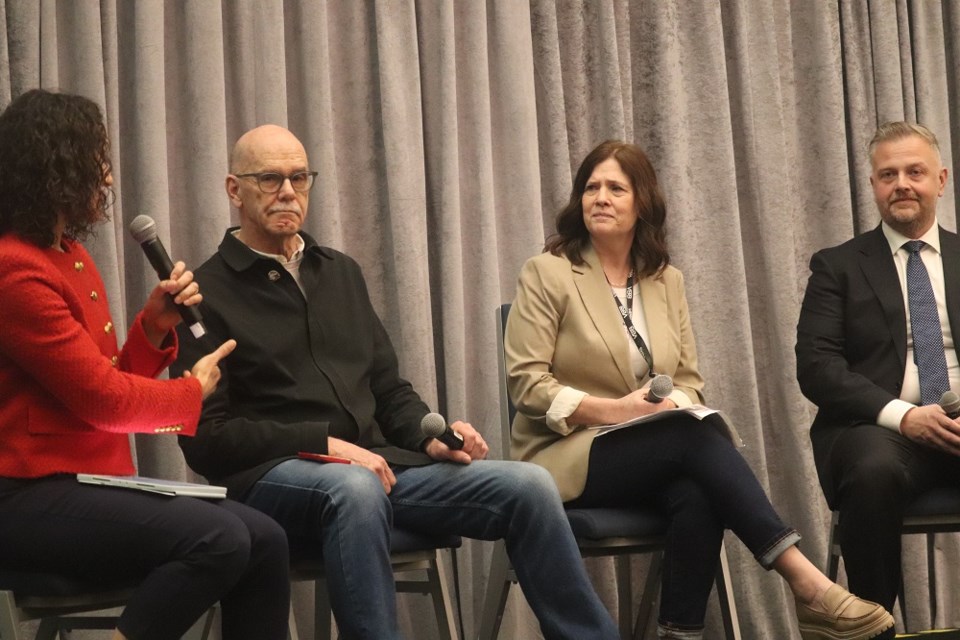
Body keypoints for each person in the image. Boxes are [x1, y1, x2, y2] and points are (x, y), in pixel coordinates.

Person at [170, 123, 621, 640]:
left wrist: (430, 435)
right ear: (234, 190)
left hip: (378, 465)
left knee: (529, 485)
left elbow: (388, 389)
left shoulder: (340, 272)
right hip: (274, 478)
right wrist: (324, 443)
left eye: (299, 177)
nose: (288, 192)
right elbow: (207, 442)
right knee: (354, 486)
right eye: (270, 179)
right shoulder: (201, 293)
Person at [505, 139, 895, 640]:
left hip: (652, 450)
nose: (600, 197)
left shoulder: (665, 281)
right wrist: (617, 412)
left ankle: (680, 633)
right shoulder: (549, 272)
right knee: (693, 443)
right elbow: (527, 385)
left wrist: (669, 407)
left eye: (615, 188)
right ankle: (807, 584)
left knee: (698, 485)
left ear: (641, 203)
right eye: (591, 187)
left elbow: (689, 381)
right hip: (560, 455)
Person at [0, 90, 291, 640]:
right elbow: (104, 403)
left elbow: (102, 377)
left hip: (87, 482)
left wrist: (154, 326)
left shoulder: (68, 254)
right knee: (219, 539)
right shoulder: (16, 270)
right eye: (96, 160)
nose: (106, 179)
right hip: (24, 495)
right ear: (55, 166)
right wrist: (191, 393)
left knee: (266, 538)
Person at [796, 121, 960, 616]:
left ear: (942, 180)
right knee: (872, 471)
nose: (902, 184)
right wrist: (903, 415)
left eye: (915, 172)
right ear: (872, 185)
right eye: (888, 175)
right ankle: (873, 622)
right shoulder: (837, 266)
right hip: (879, 429)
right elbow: (817, 366)